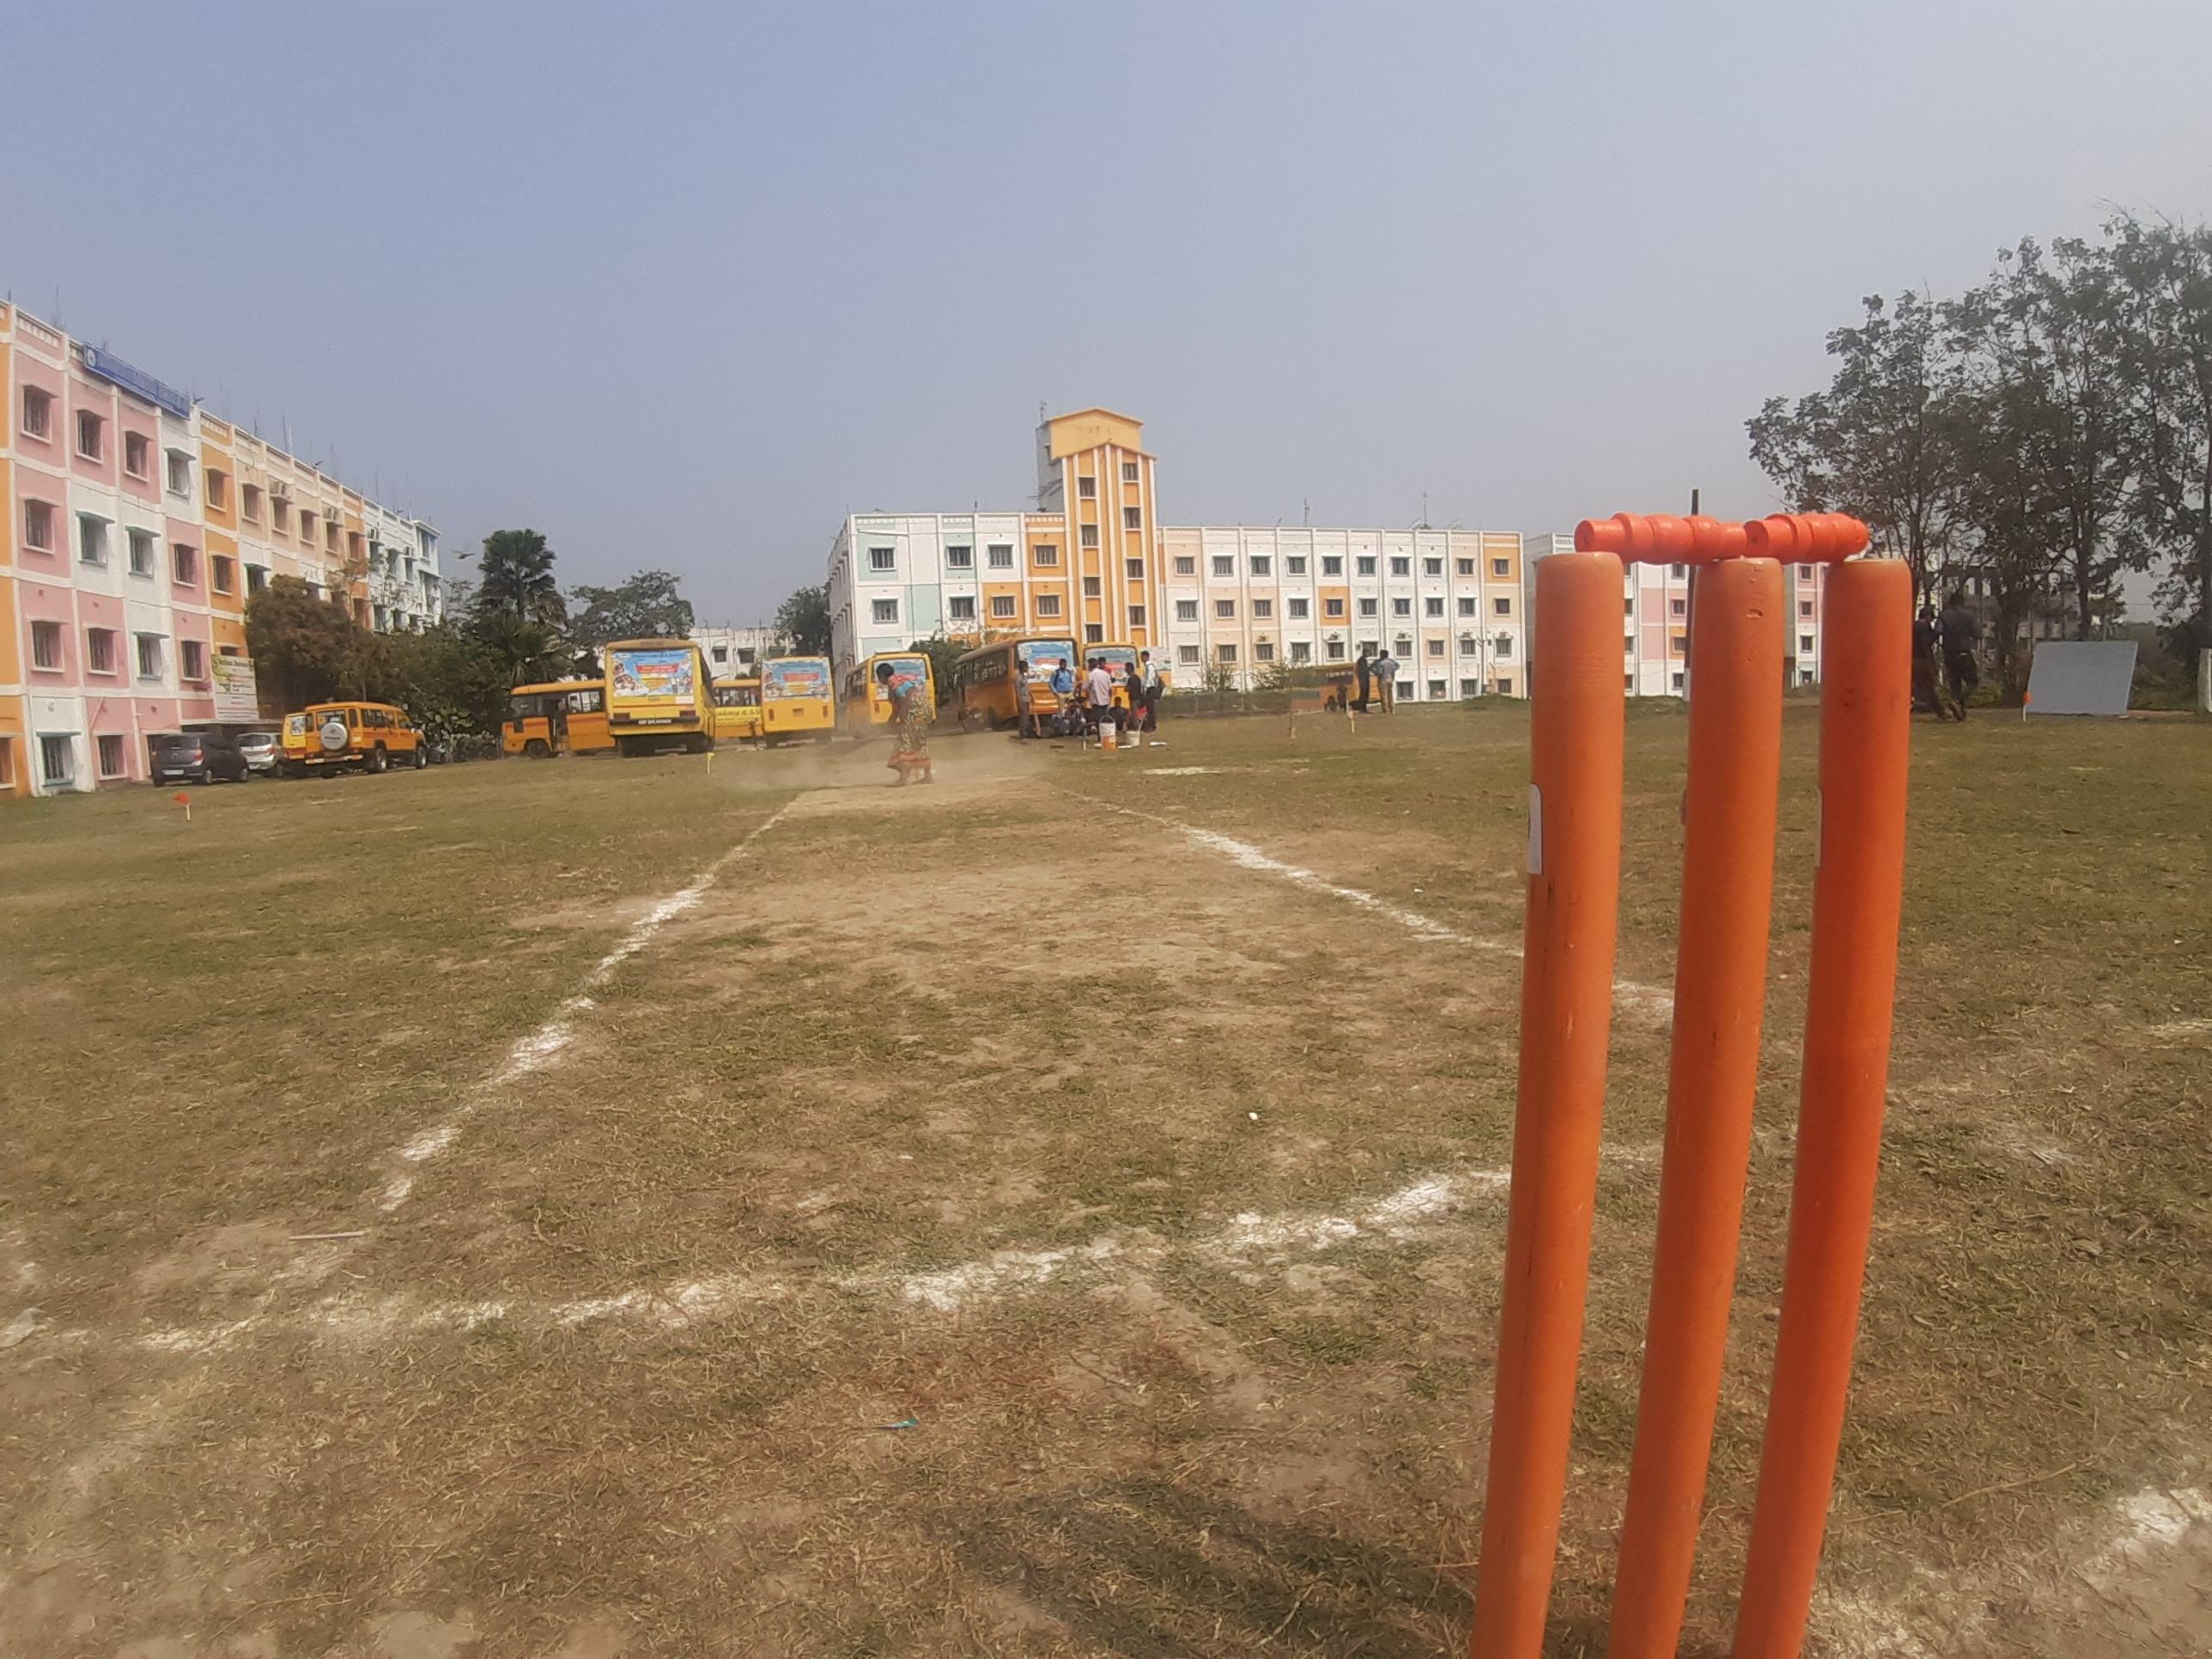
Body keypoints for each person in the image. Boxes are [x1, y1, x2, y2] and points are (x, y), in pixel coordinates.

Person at [877, 660, 933, 785]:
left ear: (882, 676)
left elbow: (902, 698)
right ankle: (927, 776)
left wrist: (900, 720)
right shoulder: (901, 679)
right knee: (919, 742)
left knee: (905, 743)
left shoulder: (893, 682)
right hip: (924, 709)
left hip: (913, 710)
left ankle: (903, 777)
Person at [1936, 590, 1979, 720]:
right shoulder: (1969, 616)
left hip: (1949, 653)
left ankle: (1960, 713)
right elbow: (1977, 633)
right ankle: (1958, 701)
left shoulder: (1944, 616)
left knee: (1955, 683)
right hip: (1964, 651)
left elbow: (1938, 631)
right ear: (1963, 603)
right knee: (1973, 681)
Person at [1911, 603, 1942, 716]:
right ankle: (1940, 711)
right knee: (1930, 686)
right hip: (1923, 660)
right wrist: (1937, 632)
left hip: (1912, 659)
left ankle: (1918, 705)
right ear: (1928, 616)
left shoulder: (1913, 625)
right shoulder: (1925, 627)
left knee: (1915, 685)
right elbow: (1926, 642)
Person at [1136, 649, 1164, 742]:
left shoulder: (1150, 667)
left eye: (1142, 657)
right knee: (1148, 708)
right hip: (1148, 689)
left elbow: (1149, 679)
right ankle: (1150, 725)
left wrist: (1145, 689)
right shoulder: (1146, 667)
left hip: (1150, 689)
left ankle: (1152, 726)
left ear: (1146, 657)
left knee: (1151, 709)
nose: (1141, 658)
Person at [1085, 655, 1115, 738]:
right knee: (1104, 719)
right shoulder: (1106, 674)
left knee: (1098, 720)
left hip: (1096, 701)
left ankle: (1100, 737)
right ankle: (1105, 735)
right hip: (1105, 701)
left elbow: (1085, 687)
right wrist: (1110, 700)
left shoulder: (1091, 675)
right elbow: (1110, 689)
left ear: (1091, 665)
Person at [1013, 655, 1036, 738]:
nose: (1027, 668)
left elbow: (1027, 688)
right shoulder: (1018, 678)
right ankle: (1023, 734)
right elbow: (1017, 691)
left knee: (1027, 717)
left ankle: (1025, 732)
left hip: (1027, 699)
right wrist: (1018, 701)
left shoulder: (1025, 677)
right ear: (1022, 668)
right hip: (1022, 700)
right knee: (1023, 717)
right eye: (1026, 667)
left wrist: (1032, 696)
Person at [1372, 647, 1400, 713]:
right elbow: (1398, 666)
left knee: (1384, 695)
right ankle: (1392, 709)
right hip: (1390, 678)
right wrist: (1393, 670)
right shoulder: (1391, 661)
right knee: (1390, 694)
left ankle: (1385, 709)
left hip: (1383, 679)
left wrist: (1376, 673)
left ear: (1382, 655)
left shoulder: (1379, 662)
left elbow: (1373, 668)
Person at [1353, 647, 1373, 713]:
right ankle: (1361, 709)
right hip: (1363, 680)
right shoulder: (1360, 660)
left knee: (1366, 694)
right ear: (1364, 653)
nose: (1368, 654)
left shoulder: (1365, 660)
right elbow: (1357, 670)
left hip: (1366, 679)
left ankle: (1364, 709)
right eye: (1367, 653)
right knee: (1363, 694)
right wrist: (1359, 679)